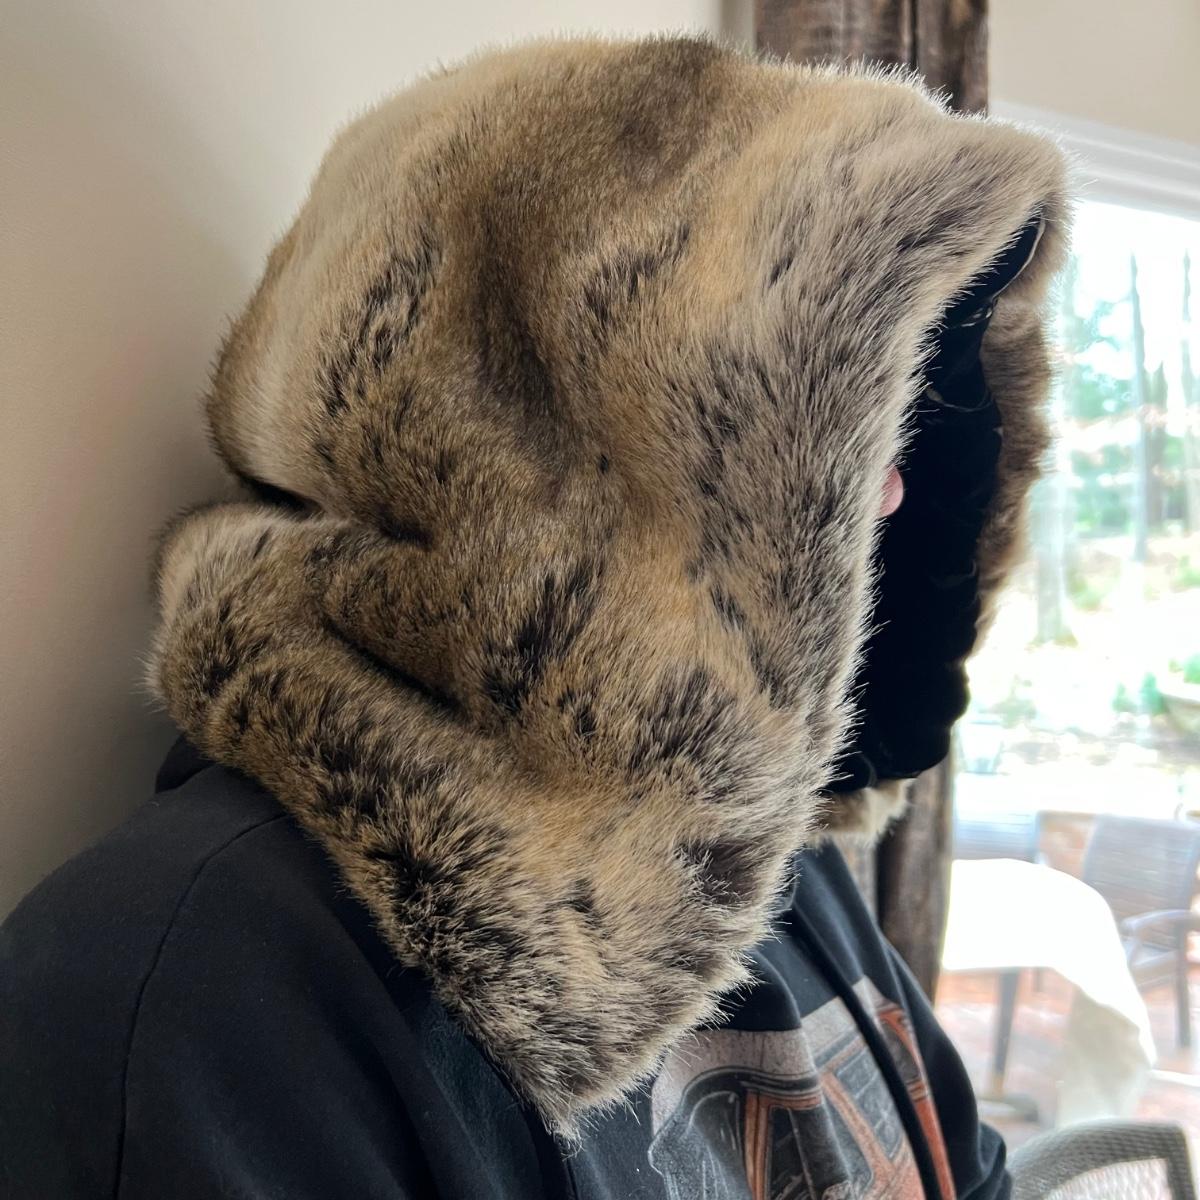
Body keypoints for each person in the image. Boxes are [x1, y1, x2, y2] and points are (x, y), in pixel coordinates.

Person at [1, 36, 1068, 1199]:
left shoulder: (772, 871)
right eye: (829, 430)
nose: (892, 493)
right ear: (533, 439)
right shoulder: (185, 988)